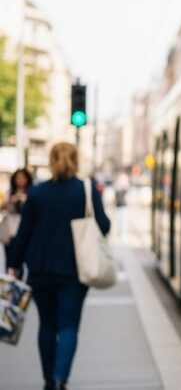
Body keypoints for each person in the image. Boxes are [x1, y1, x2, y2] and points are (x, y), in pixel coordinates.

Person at [5, 142, 110, 390]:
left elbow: (24, 233)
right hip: (76, 270)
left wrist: (13, 265)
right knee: (68, 325)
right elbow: (104, 226)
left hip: (40, 270)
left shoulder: (38, 193)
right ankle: (61, 379)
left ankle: (48, 380)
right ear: (75, 160)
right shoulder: (86, 190)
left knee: (47, 325)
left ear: (51, 161)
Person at [0, 168, 34, 270]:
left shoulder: (32, 193)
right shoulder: (9, 192)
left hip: (26, 230)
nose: (20, 180)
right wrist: (11, 201)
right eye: (18, 178)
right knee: (10, 259)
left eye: (22, 177)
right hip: (11, 232)